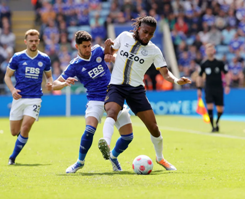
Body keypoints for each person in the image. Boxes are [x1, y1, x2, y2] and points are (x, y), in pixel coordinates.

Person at [100, 16, 191, 171]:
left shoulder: (154, 51)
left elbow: (165, 72)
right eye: (145, 32)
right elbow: (108, 55)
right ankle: (106, 144)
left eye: (151, 34)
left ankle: (160, 159)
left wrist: (176, 81)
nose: (147, 36)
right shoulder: (124, 37)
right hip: (117, 86)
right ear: (138, 28)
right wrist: (107, 47)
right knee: (112, 112)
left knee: (154, 127)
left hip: (136, 90)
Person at [52, 31, 133, 173]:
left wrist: (110, 51)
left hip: (113, 96)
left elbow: (109, 54)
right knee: (89, 130)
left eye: (89, 45)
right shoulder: (74, 65)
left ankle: (113, 156)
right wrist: (64, 83)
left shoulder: (97, 51)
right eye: (84, 46)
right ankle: (80, 162)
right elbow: (54, 84)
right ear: (77, 46)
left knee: (128, 137)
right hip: (95, 100)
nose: (88, 49)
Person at [4, 29, 53, 165]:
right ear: (26, 41)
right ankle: (21, 139)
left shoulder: (44, 58)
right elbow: (7, 76)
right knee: (14, 132)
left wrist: (50, 83)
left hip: (35, 98)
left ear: (38, 41)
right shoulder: (17, 57)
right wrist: (12, 90)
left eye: (36, 41)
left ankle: (12, 158)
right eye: (31, 41)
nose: (33, 43)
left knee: (26, 127)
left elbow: (49, 76)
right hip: (19, 97)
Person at [196, 43, 230, 133]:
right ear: (206, 51)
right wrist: (199, 88)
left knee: (220, 109)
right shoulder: (203, 64)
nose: (210, 51)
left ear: (214, 51)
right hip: (209, 88)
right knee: (209, 106)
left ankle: (217, 121)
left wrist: (227, 85)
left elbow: (226, 74)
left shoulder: (220, 63)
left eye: (211, 49)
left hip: (219, 88)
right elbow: (199, 77)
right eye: (208, 49)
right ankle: (213, 127)